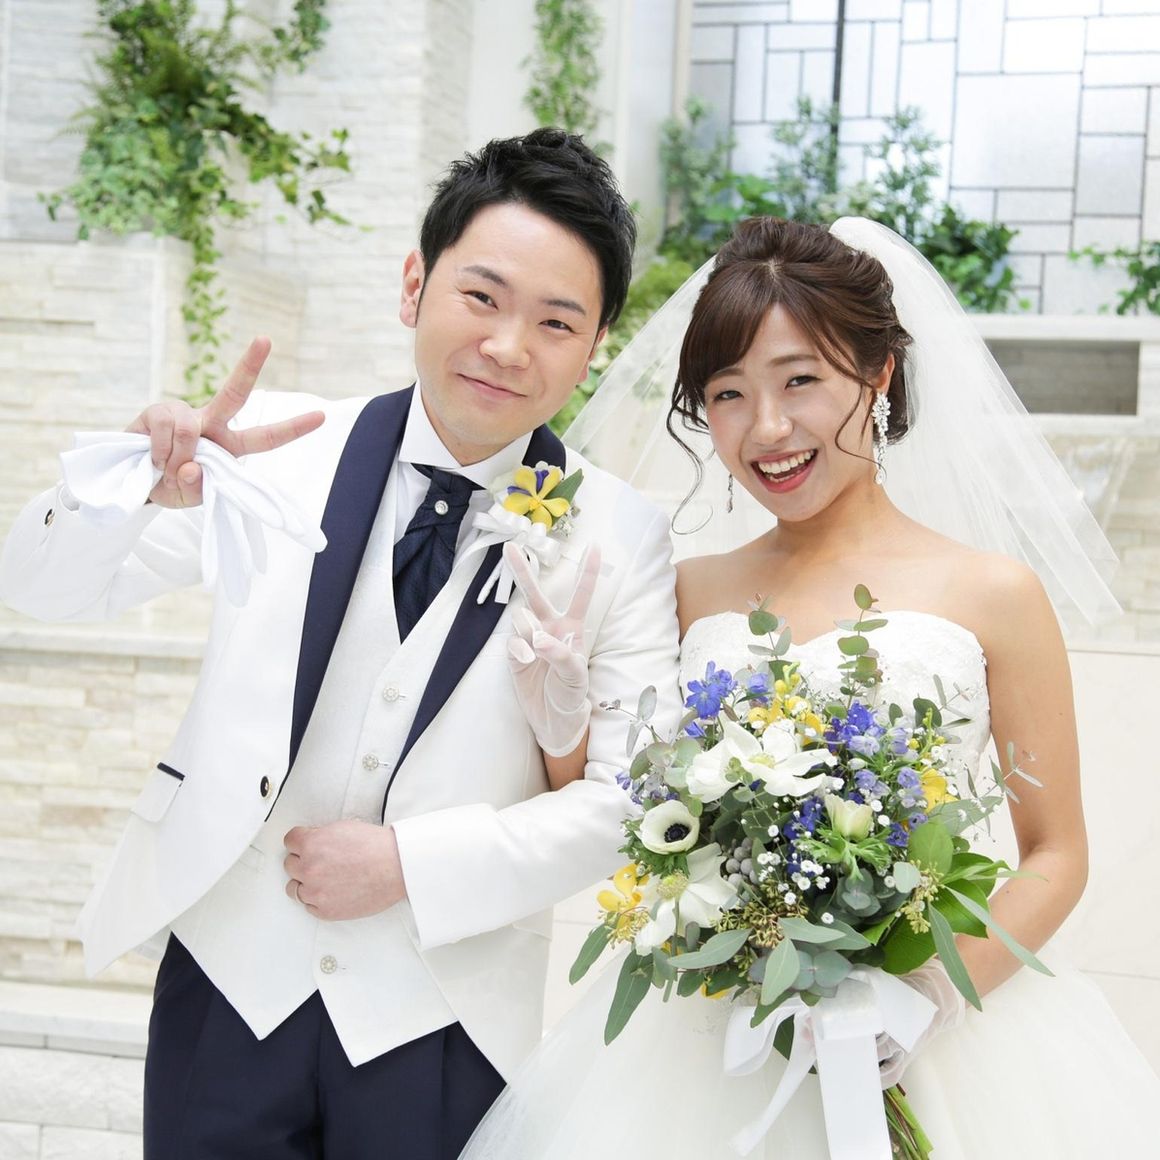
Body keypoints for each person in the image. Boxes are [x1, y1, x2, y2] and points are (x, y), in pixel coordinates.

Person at [0, 128, 682, 1159]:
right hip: (228, 981)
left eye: (556, 321)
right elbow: (39, 589)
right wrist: (128, 491)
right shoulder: (270, 448)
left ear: (595, 347)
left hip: (443, 1015)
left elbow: (632, 803)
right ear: (414, 285)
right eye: (482, 296)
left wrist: (411, 863)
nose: (509, 346)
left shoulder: (622, 533)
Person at [459, 217, 1160, 1159]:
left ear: (879, 374)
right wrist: (563, 725)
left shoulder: (995, 593)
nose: (768, 429)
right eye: (728, 393)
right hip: (707, 1039)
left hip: (947, 1024)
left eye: (800, 381)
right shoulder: (688, 589)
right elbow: (628, 811)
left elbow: (1057, 852)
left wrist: (931, 996)